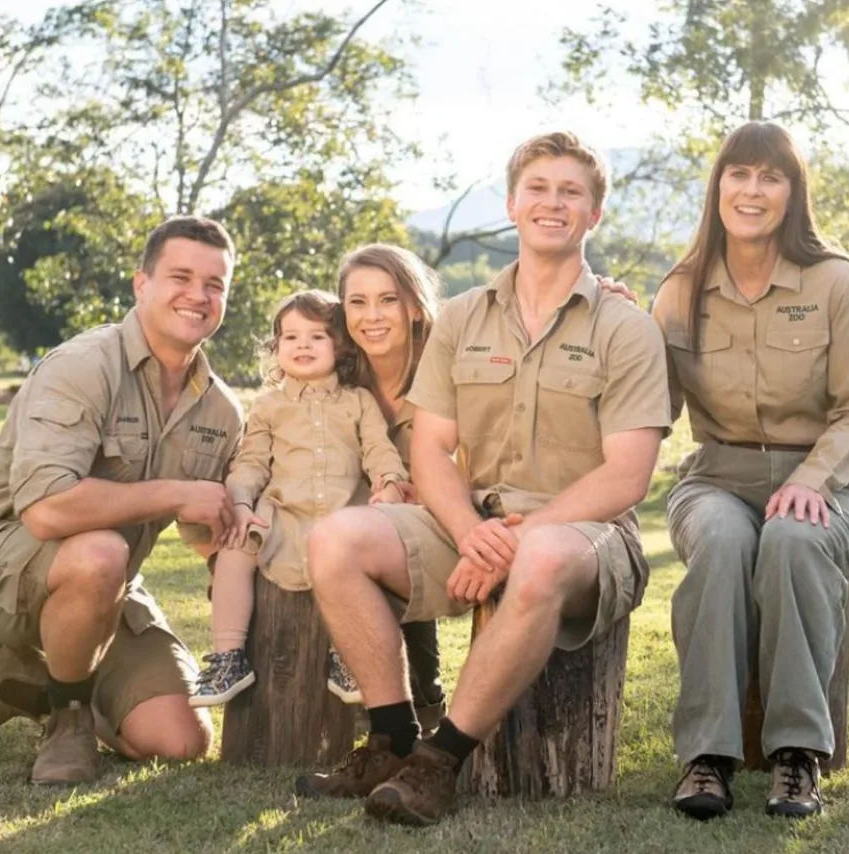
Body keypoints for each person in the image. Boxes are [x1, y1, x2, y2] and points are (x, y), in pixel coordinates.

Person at [295, 130, 671, 827]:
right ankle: (391, 738)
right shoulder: (464, 317)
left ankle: (439, 763)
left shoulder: (626, 327)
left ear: (596, 214)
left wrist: (513, 538)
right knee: (335, 541)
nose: (552, 203)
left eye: (571, 192)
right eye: (537, 188)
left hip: (587, 535)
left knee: (543, 555)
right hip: (472, 522)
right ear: (511, 203)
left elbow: (628, 475)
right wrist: (473, 534)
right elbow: (432, 451)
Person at [0, 216, 245, 785]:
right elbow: (48, 510)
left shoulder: (222, 412)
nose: (198, 295)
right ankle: (69, 715)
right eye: (181, 276)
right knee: (99, 553)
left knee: (179, 741)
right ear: (141, 284)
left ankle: (26, 679)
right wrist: (177, 492)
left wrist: (233, 550)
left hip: (108, 583)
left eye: (215, 284)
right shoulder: (84, 363)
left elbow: (205, 529)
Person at [651, 121, 849, 820]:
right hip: (716, 477)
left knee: (792, 540)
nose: (752, 190)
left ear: (792, 192)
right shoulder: (680, 289)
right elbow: (646, 404)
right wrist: (608, 316)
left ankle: (796, 755)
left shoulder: (834, 279)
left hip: (826, 482)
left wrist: (811, 482)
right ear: (718, 185)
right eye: (739, 174)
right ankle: (707, 757)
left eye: (770, 176)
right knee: (722, 542)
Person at [188, 289, 408, 706]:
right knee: (235, 551)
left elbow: (379, 449)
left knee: (367, 567)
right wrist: (239, 504)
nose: (302, 345)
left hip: (345, 516)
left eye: (316, 336)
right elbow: (250, 463)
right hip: (282, 517)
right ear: (276, 348)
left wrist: (389, 483)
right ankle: (228, 658)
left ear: (340, 345)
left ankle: (350, 656)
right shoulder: (269, 406)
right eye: (290, 337)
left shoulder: (358, 401)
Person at [335, 243, 448, 728]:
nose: (371, 316)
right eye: (357, 302)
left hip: (443, 512)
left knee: (390, 536)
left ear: (415, 306)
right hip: (352, 519)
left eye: (387, 299)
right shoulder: (337, 372)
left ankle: (420, 702)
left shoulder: (445, 365)